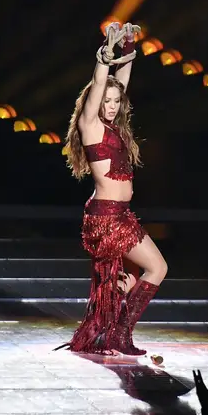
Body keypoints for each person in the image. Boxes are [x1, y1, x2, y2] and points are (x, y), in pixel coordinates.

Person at [54, 22, 168, 356]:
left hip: (121, 216)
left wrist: (129, 45)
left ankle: (118, 333)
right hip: (107, 220)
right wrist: (105, 56)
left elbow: (121, 83)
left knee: (131, 282)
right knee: (157, 268)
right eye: (107, 100)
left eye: (117, 101)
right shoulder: (90, 125)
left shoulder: (114, 125)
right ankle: (119, 335)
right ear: (95, 100)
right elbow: (102, 83)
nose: (113, 105)